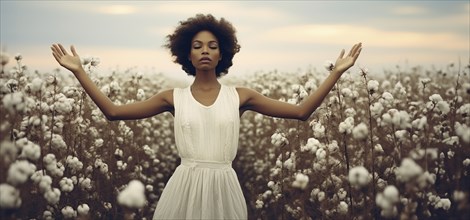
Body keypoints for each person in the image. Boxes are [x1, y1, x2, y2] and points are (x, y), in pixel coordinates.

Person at [51, 14, 362, 220]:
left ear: (221, 54)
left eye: (212, 46)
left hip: (225, 188)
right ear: (187, 54)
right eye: (197, 46)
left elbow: (301, 112)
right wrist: (80, 72)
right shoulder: (172, 97)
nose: (204, 51)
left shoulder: (241, 96)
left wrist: (335, 73)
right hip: (183, 187)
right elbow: (114, 112)